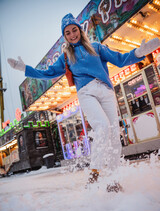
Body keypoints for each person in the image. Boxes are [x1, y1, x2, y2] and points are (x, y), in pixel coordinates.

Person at [8, 13, 160, 188]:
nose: (72, 35)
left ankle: (113, 180)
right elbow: (48, 73)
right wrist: (24, 68)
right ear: (64, 36)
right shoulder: (66, 56)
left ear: (79, 30)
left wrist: (140, 52)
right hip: (86, 93)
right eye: (68, 33)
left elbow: (119, 60)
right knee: (102, 125)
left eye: (74, 30)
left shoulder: (96, 47)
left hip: (106, 91)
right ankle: (94, 172)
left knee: (113, 136)